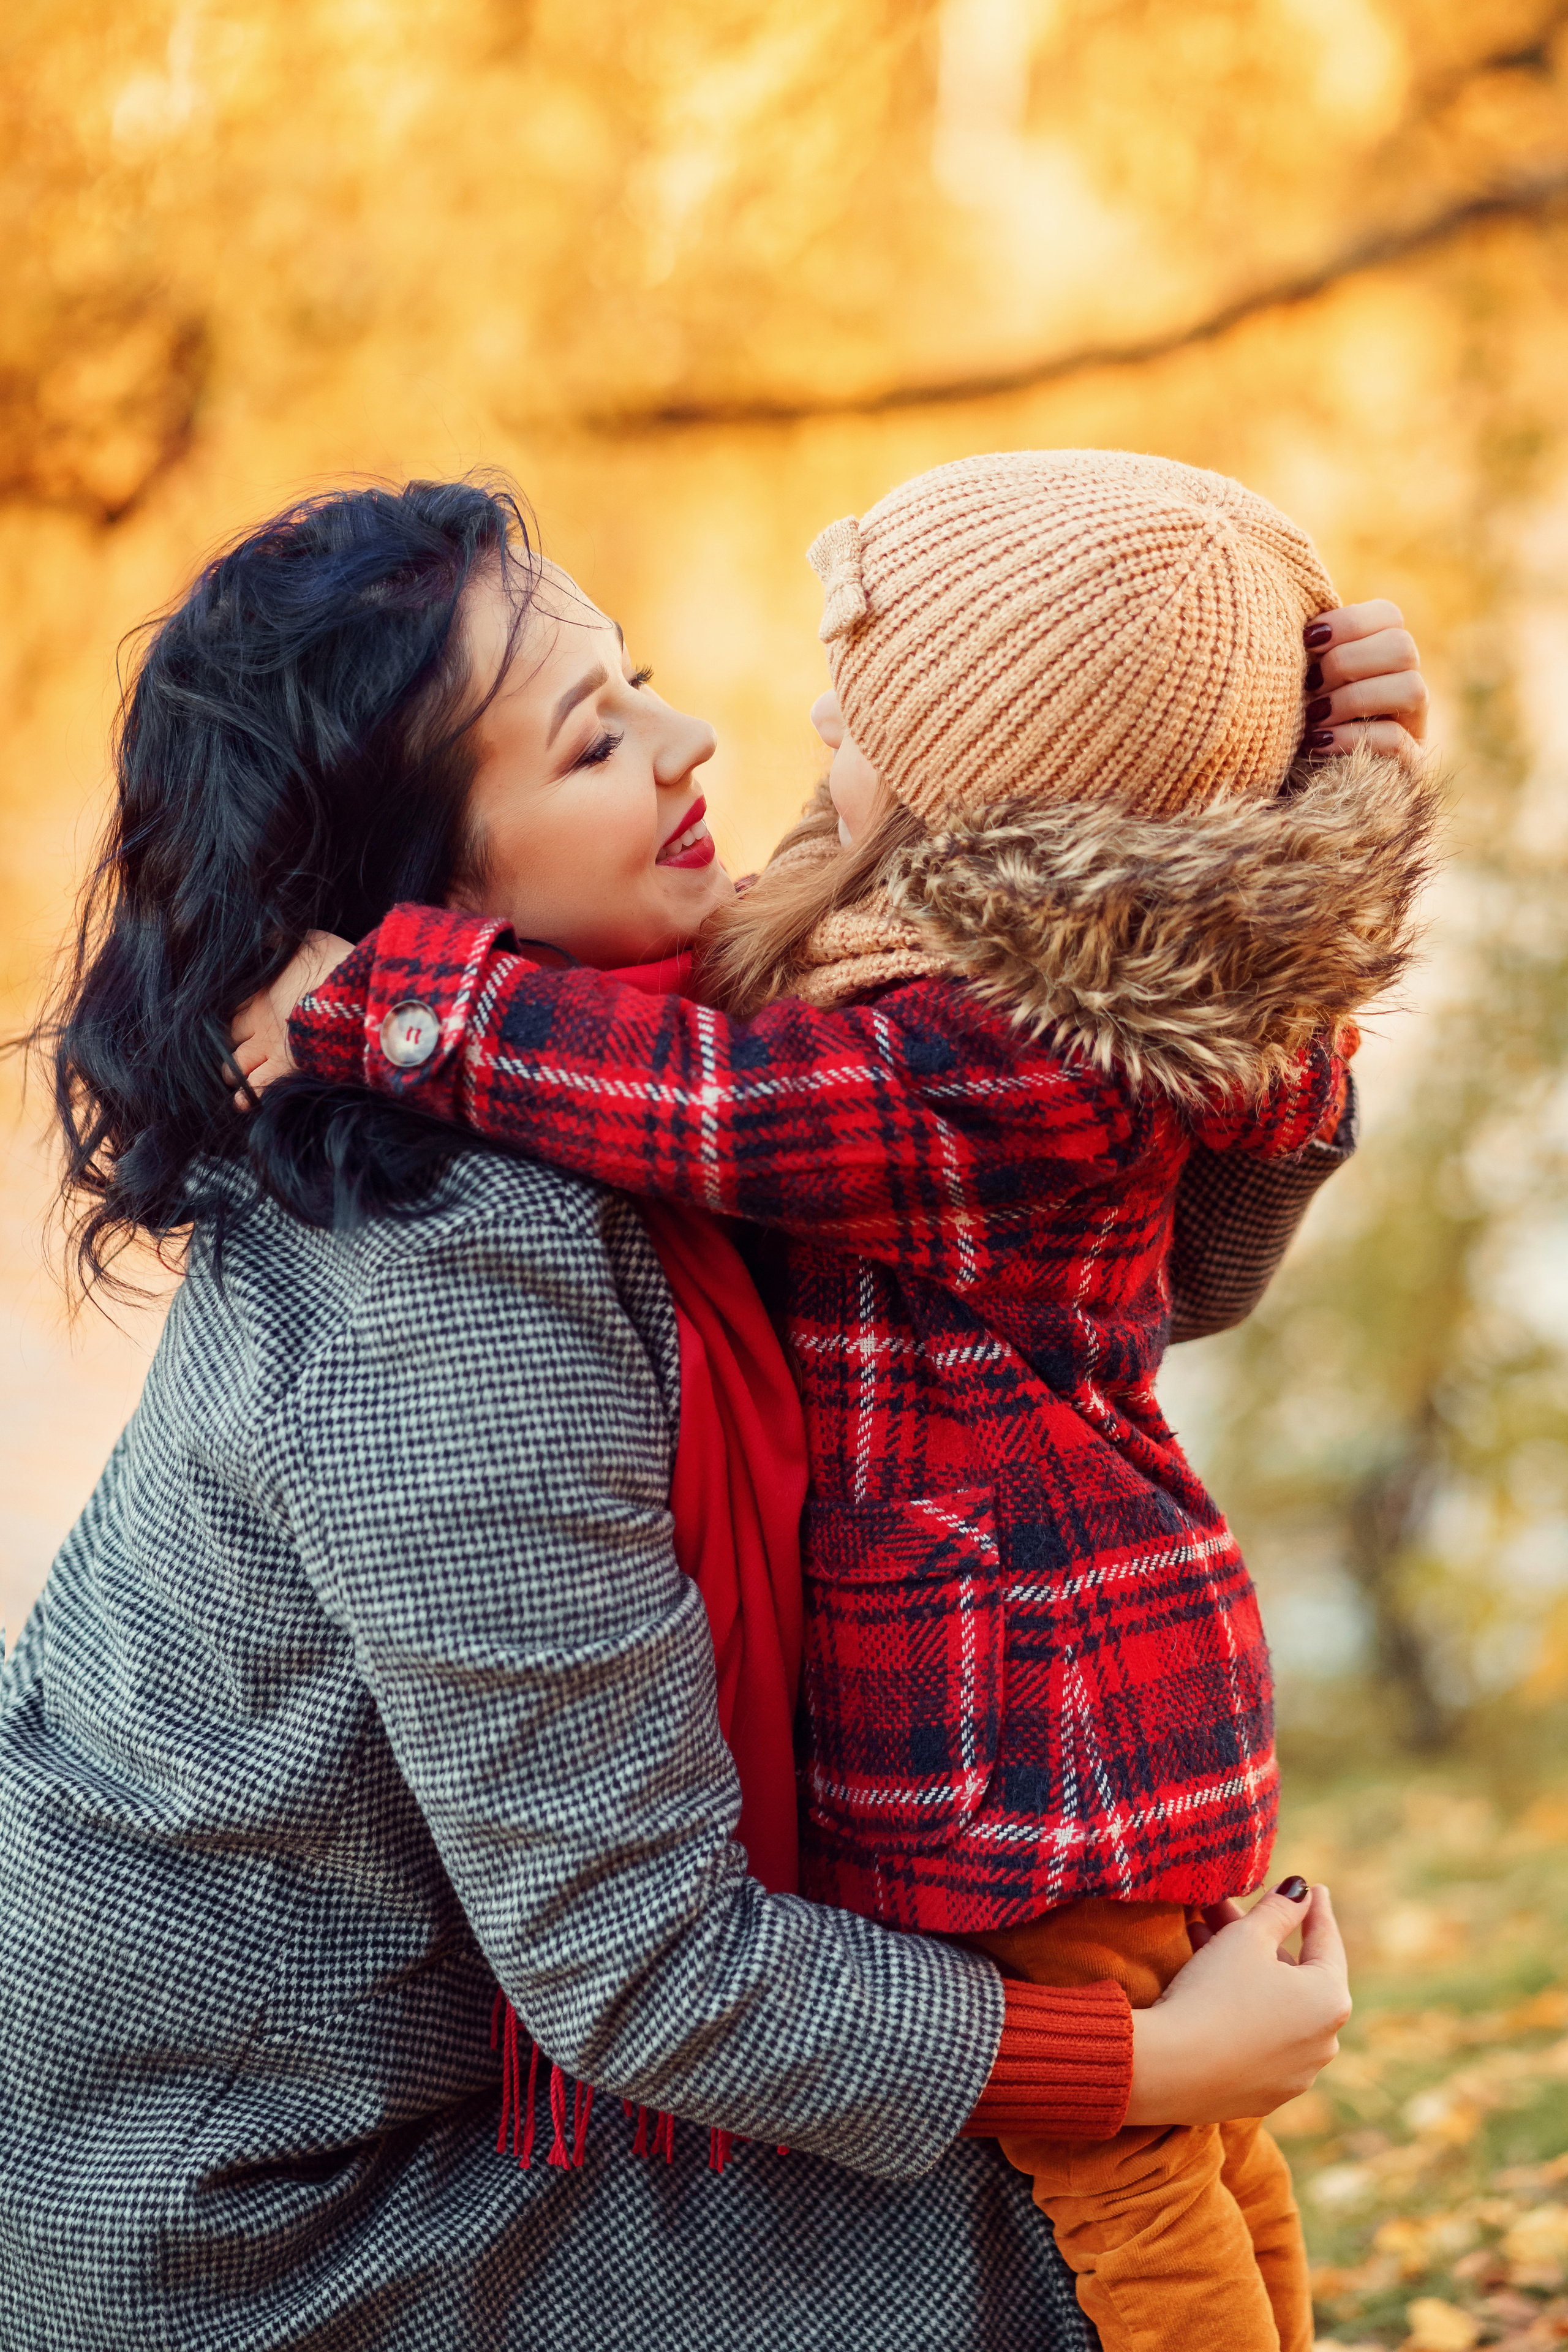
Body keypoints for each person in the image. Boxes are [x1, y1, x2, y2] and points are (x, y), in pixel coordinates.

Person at [0, 477, 1358, 2352]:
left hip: (458, 2078)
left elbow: (1134, 1279)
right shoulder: (456, 1290)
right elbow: (642, 1967)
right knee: (1077, 2245)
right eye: (590, 739)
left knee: (1178, 2189)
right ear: (428, 898)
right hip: (259, 2221)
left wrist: (1284, 831)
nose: (694, 732)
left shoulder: (683, 1072)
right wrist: (1132, 2061)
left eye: (632, 678)